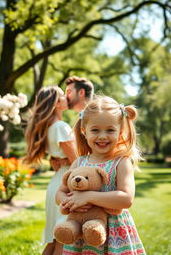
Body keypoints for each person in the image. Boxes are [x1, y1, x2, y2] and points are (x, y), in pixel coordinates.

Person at [56, 95, 146, 254]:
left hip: (114, 233)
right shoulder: (79, 163)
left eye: (110, 130)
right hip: (82, 233)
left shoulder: (121, 163)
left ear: (120, 132)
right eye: (95, 130)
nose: (103, 136)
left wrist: (88, 196)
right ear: (84, 131)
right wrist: (66, 201)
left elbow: (126, 199)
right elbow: (60, 193)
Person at [23, 86, 77, 255]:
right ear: (55, 103)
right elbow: (77, 161)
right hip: (66, 184)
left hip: (57, 182)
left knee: (55, 241)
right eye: (62, 95)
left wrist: (59, 160)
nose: (66, 98)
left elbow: (61, 155)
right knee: (63, 240)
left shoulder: (48, 127)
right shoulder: (60, 126)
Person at [50, 75, 95, 171]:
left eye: (69, 92)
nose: (65, 97)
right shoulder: (78, 121)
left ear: (81, 92)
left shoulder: (97, 116)